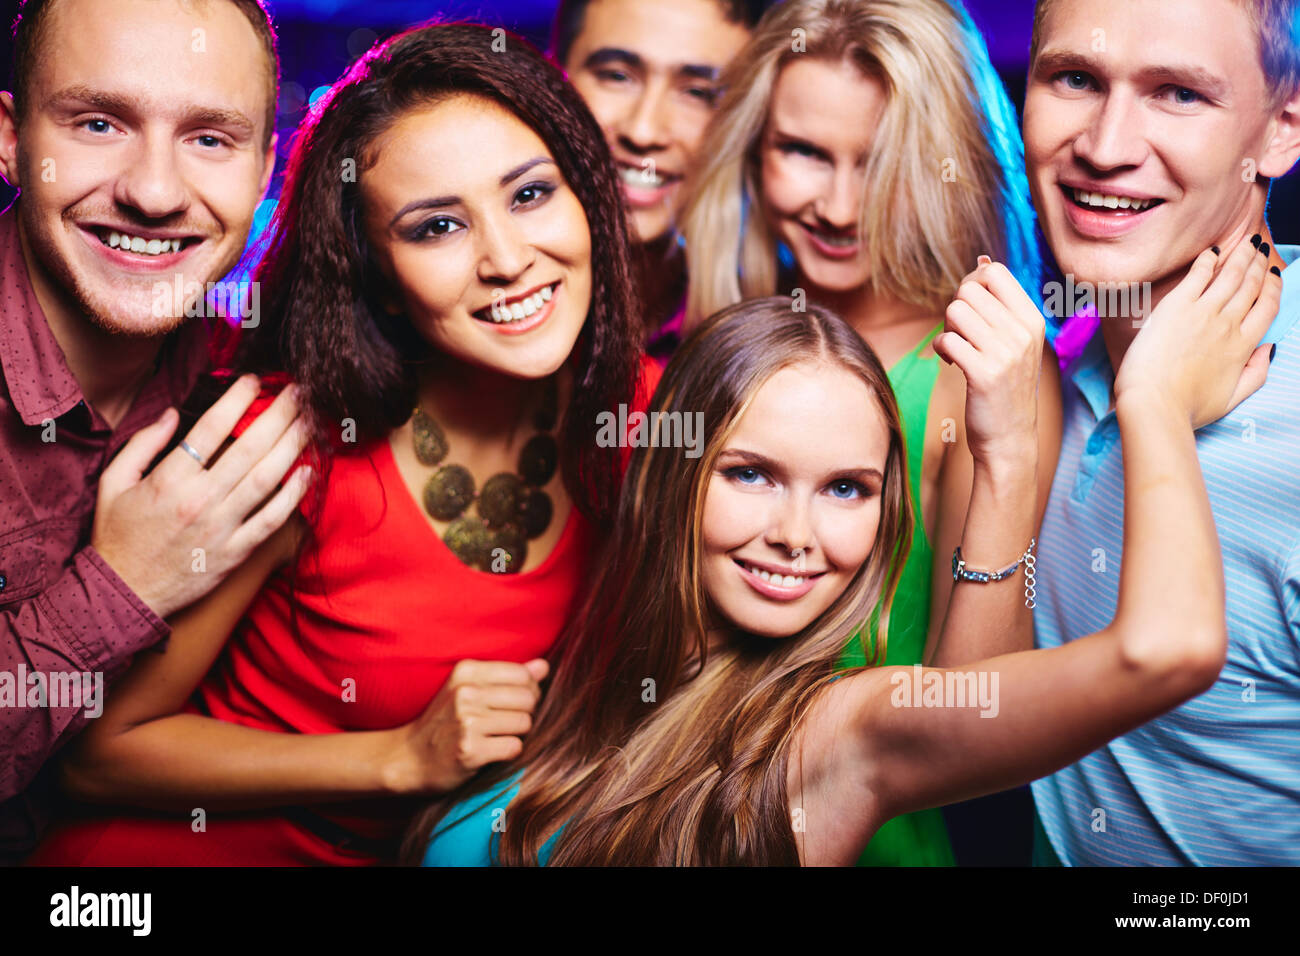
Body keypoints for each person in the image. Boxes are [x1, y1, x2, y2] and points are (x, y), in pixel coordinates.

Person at [410, 237, 1280, 866]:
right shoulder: (576, 685)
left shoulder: (838, 733)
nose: (797, 535)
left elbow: (1168, 651)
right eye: (751, 474)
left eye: (845, 490)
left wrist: (1151, 405)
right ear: (672, 473)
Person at [27, 22, 654, 866]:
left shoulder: (654, 413)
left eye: (531, 194)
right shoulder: (290, 442)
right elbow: (100, 758)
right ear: (382, 283)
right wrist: (397, 758)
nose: (507, 258)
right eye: (437, 227)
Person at [678, 0, 1062, 865]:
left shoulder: (976, 365)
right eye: (805, 152)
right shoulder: (734, 326)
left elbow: (970, 722)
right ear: (753, 147)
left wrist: (1005, 456)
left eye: (882, 163)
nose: (840, 206)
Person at [0, 0, 308, 865]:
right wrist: (122, 585)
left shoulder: (246, 374)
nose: (157, 192)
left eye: (211, 139)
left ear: (261, 170)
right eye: (99, 122)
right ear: (11, 138)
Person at [1022, 0, 1300, 865]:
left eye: (1178, 93)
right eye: (1074, 79)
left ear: (1282, 130)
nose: (1106, 145)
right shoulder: (1052, 359)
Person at [552, 0, 765, 362]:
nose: (643, 131)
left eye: (698, 93)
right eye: (616, 76)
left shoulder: (765, 334)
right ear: (552, 75)